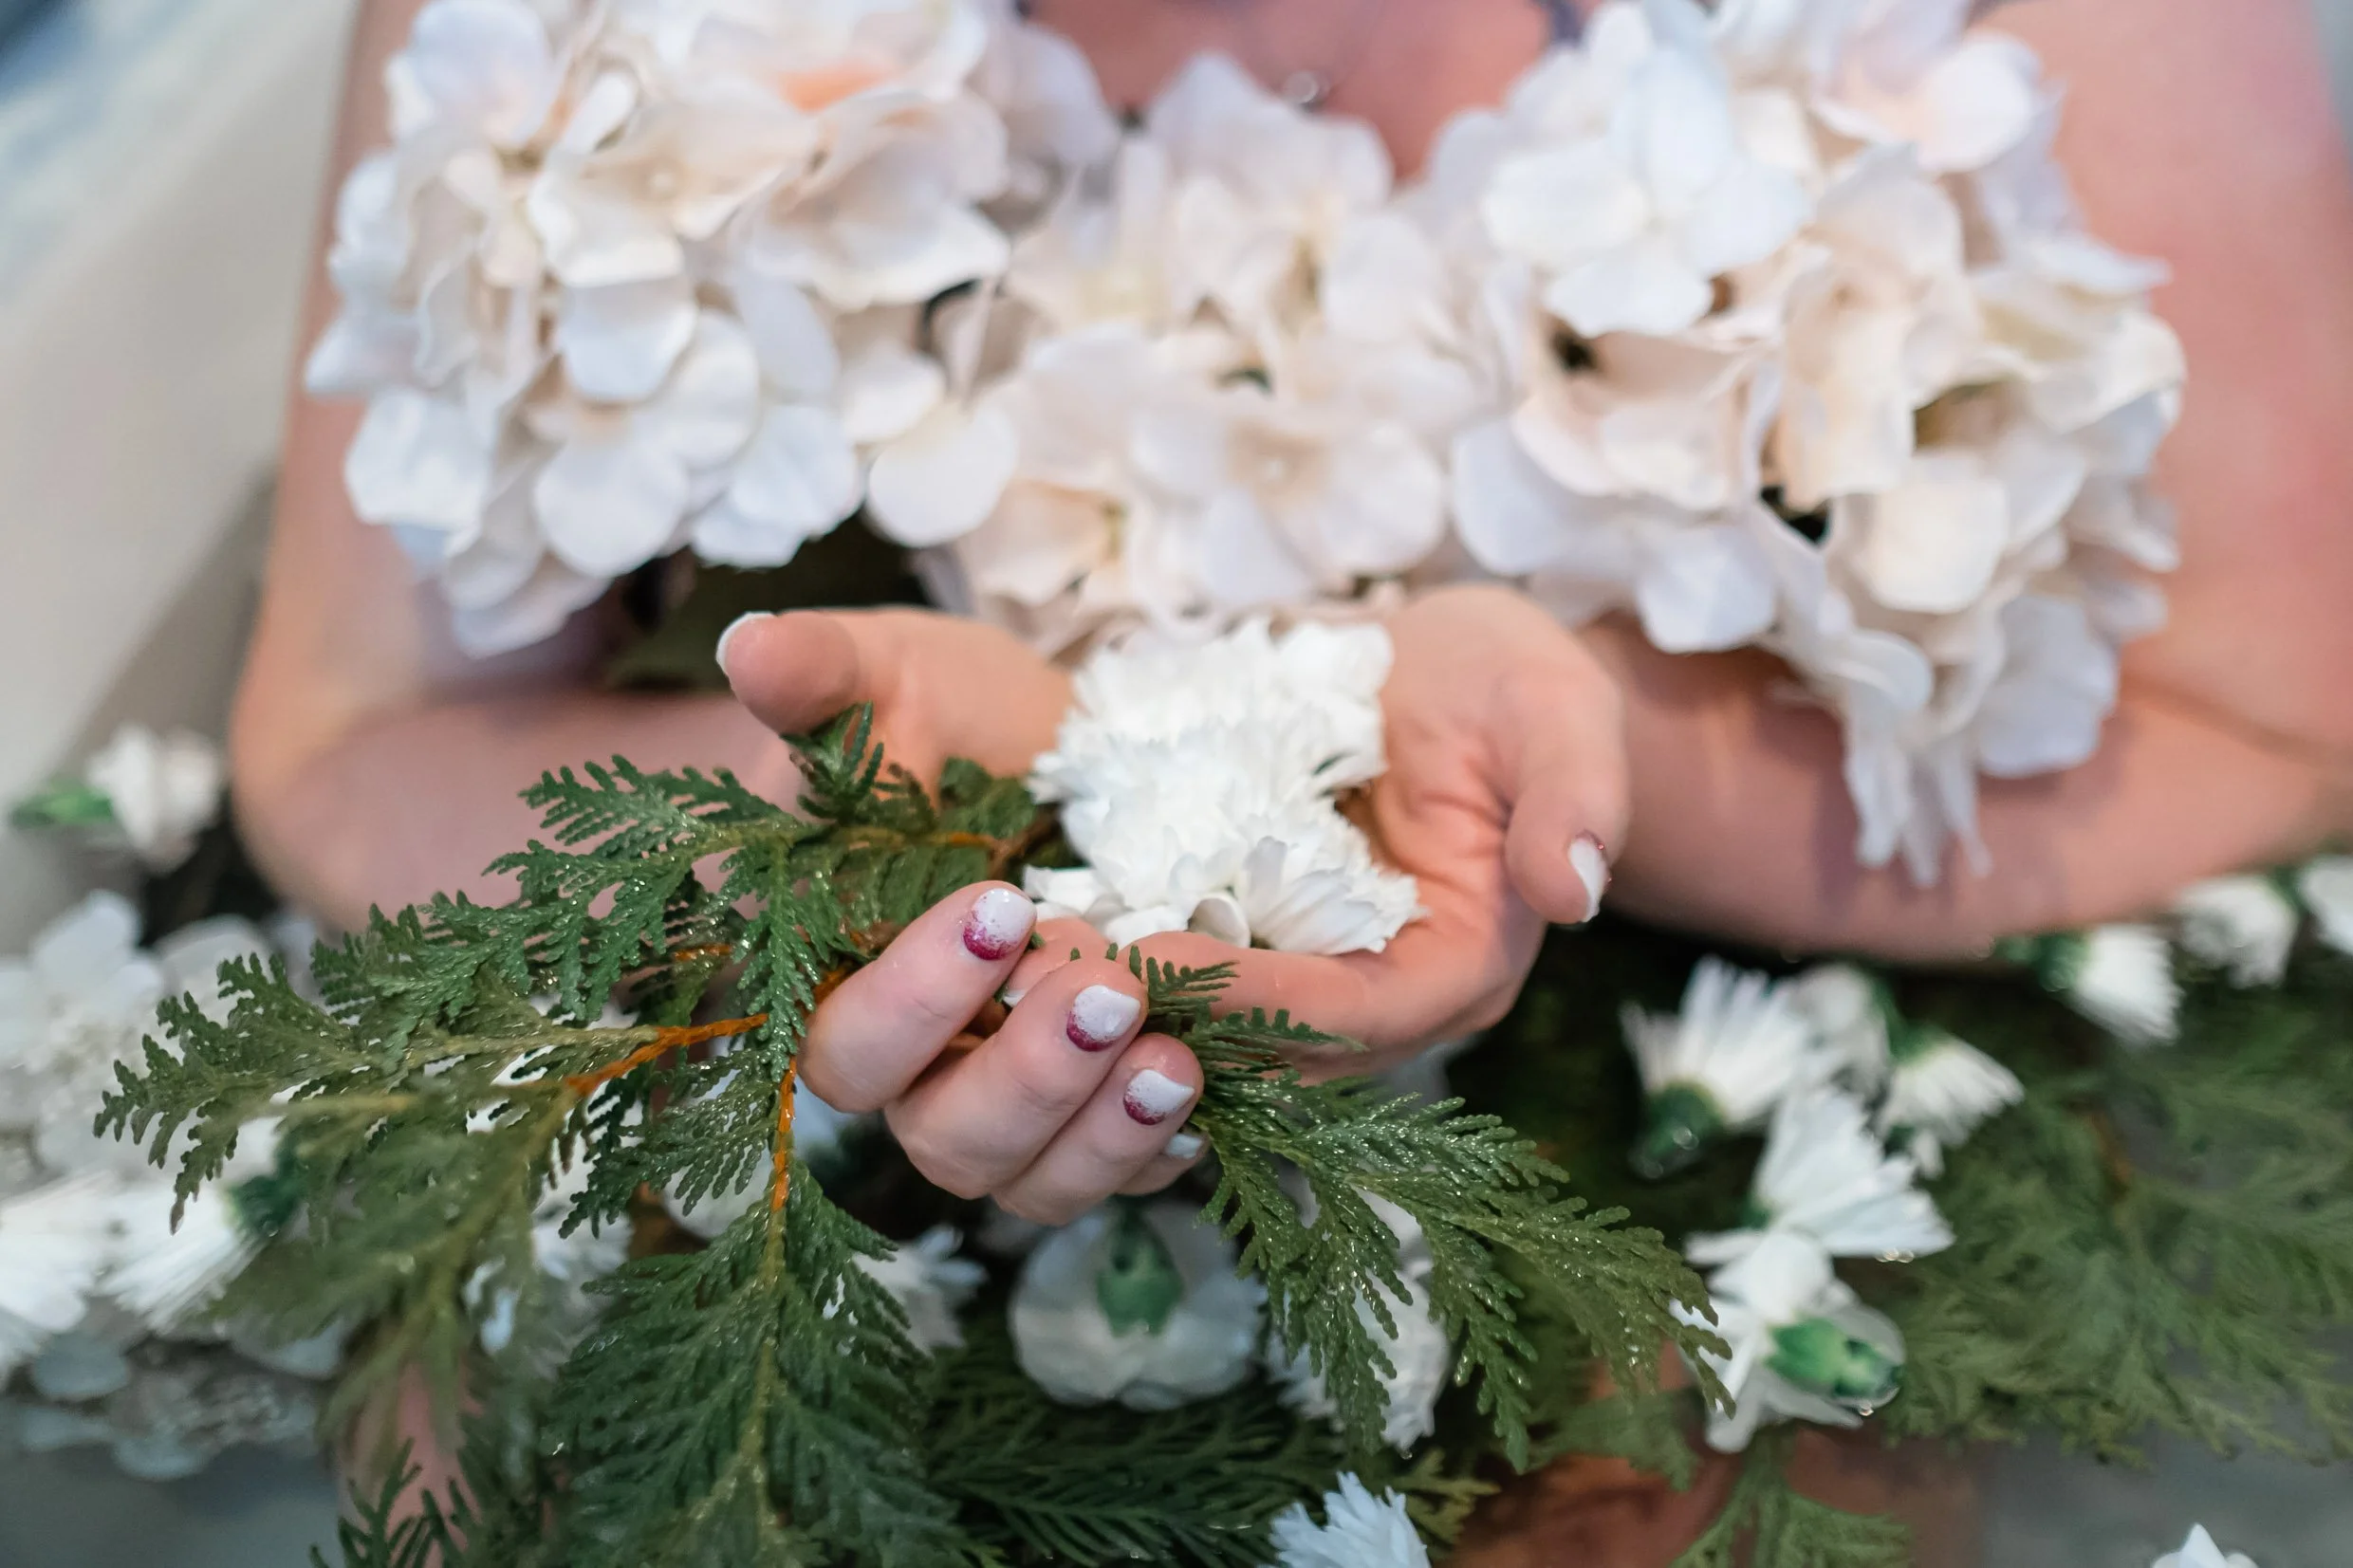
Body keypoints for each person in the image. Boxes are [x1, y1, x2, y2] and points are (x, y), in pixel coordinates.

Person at [233, 0, 2353, 1549]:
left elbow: (2275, 734)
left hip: (1719, 1145)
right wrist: (919, 824)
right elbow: (351, 750)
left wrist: (1489, 757)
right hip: (805, 1176)